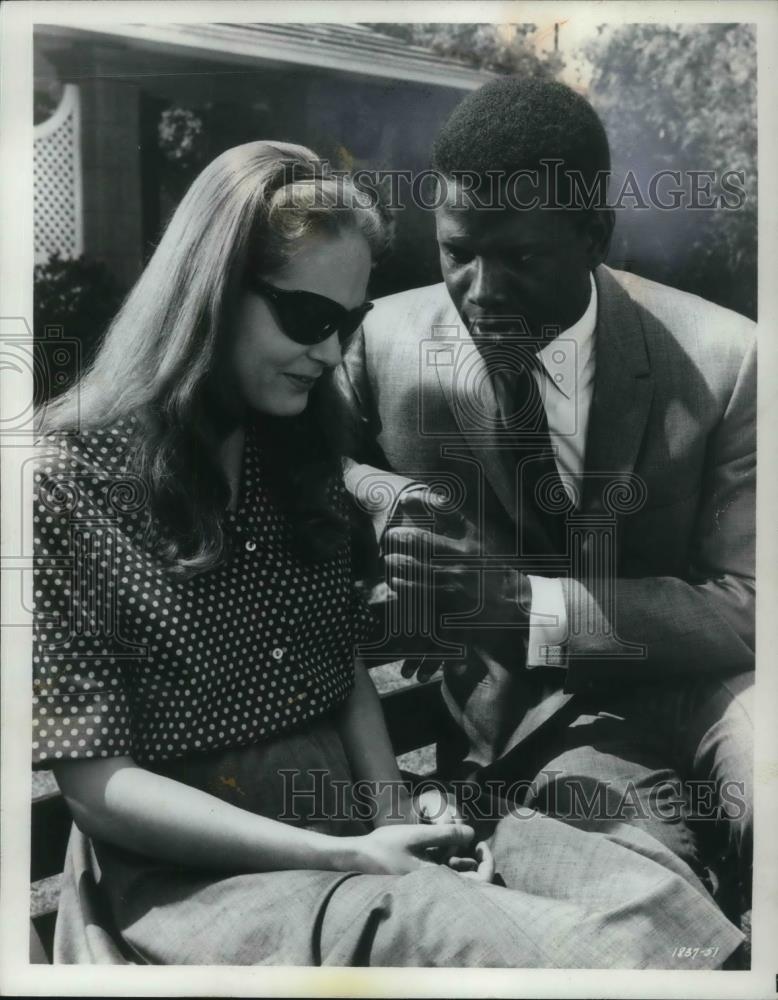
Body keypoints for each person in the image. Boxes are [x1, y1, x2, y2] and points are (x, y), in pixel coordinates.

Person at [31, 140, 745, 969]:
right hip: (198, 872)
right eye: (307, 319)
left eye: (350, 323)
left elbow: (343, 679)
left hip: (355, 829)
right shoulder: (62, 483)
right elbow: (97, 789)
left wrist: (393, 816)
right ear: (212, 293)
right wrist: (350, 855)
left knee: (649, 906)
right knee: (496, 940)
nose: (333, 354)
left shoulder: (291, 449)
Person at [339, 78, 755, 921]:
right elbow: (303, 467)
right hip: (537, 730)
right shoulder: (379, 340)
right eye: (458, 252)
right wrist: (386, 495)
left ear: (595, 234)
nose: (481, 292)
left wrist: (522, 603)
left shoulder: (731, 358)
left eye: (521, 258)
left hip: (721, 692)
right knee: (651, 895)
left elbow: (754, 606)